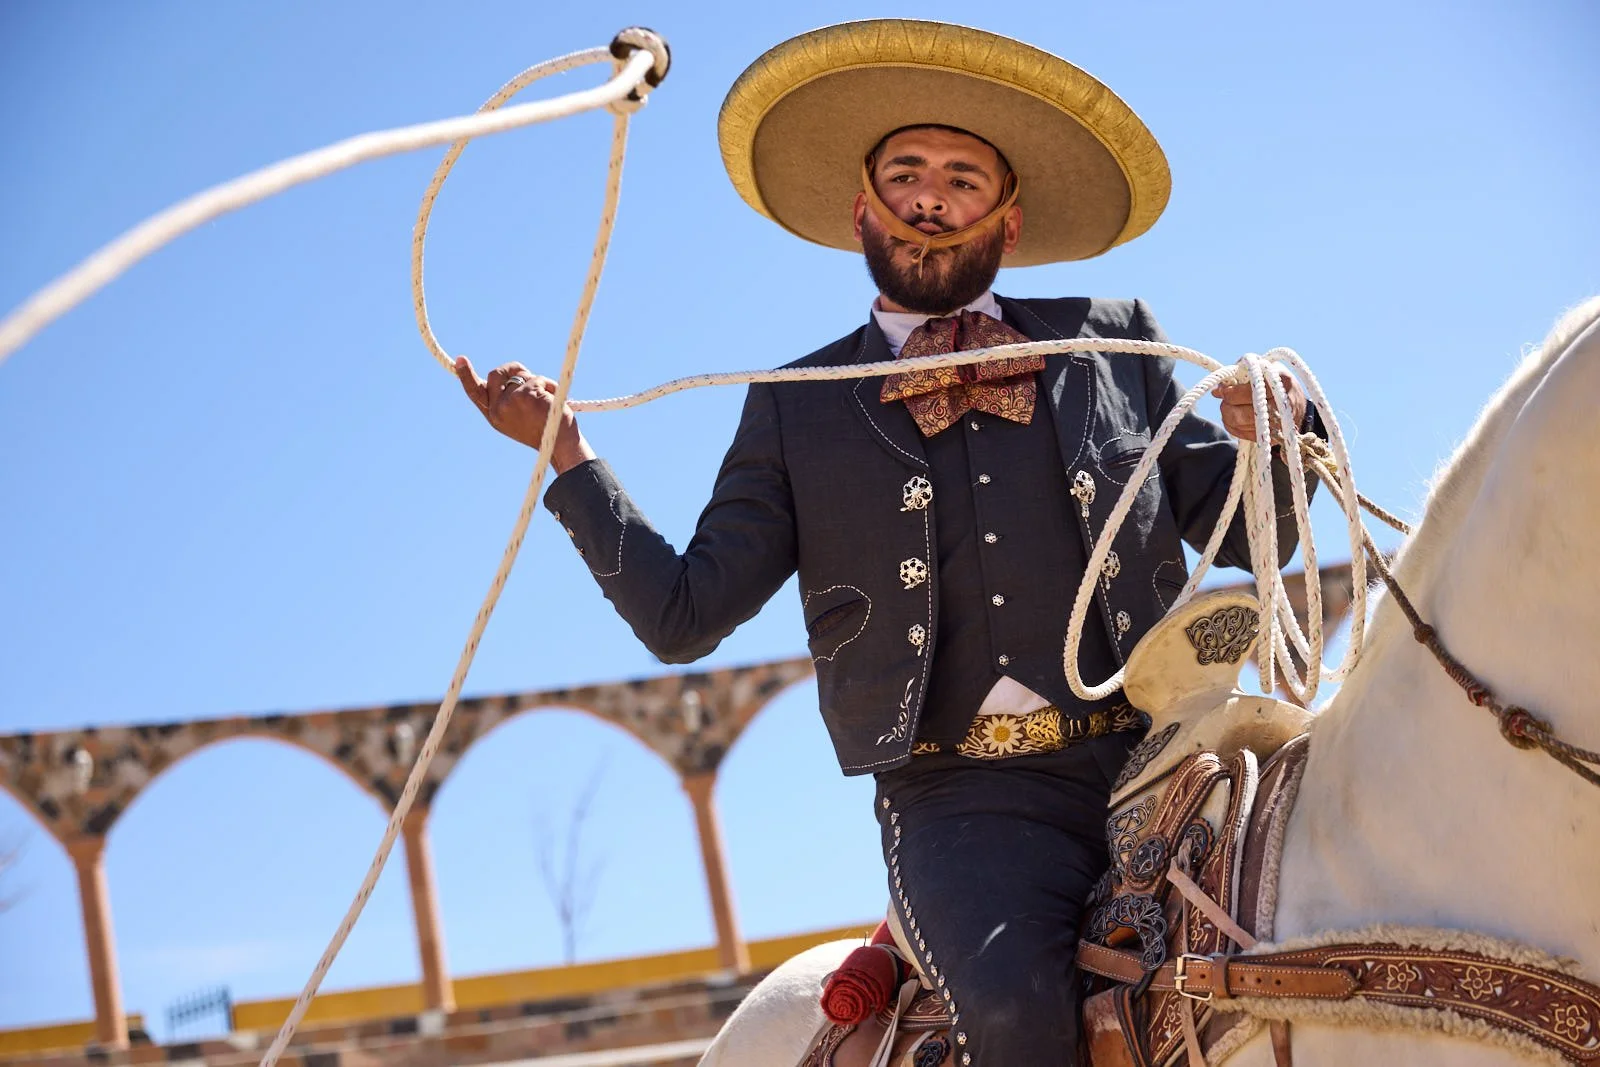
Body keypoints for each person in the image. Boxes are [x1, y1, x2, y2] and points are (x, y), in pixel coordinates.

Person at [454, 20, 1317, 1065]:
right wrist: (569, 458)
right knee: (1015, 1016)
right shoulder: (796, 408)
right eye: (904, 172)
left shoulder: (1110, 336)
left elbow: (1235, 522)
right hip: (962, 797)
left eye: (961, 176)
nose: (929, 195)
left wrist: (1283, 434)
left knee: (1332, 923)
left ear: (1008, 213)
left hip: (1164, 751)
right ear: (862, 206)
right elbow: (684, 615)